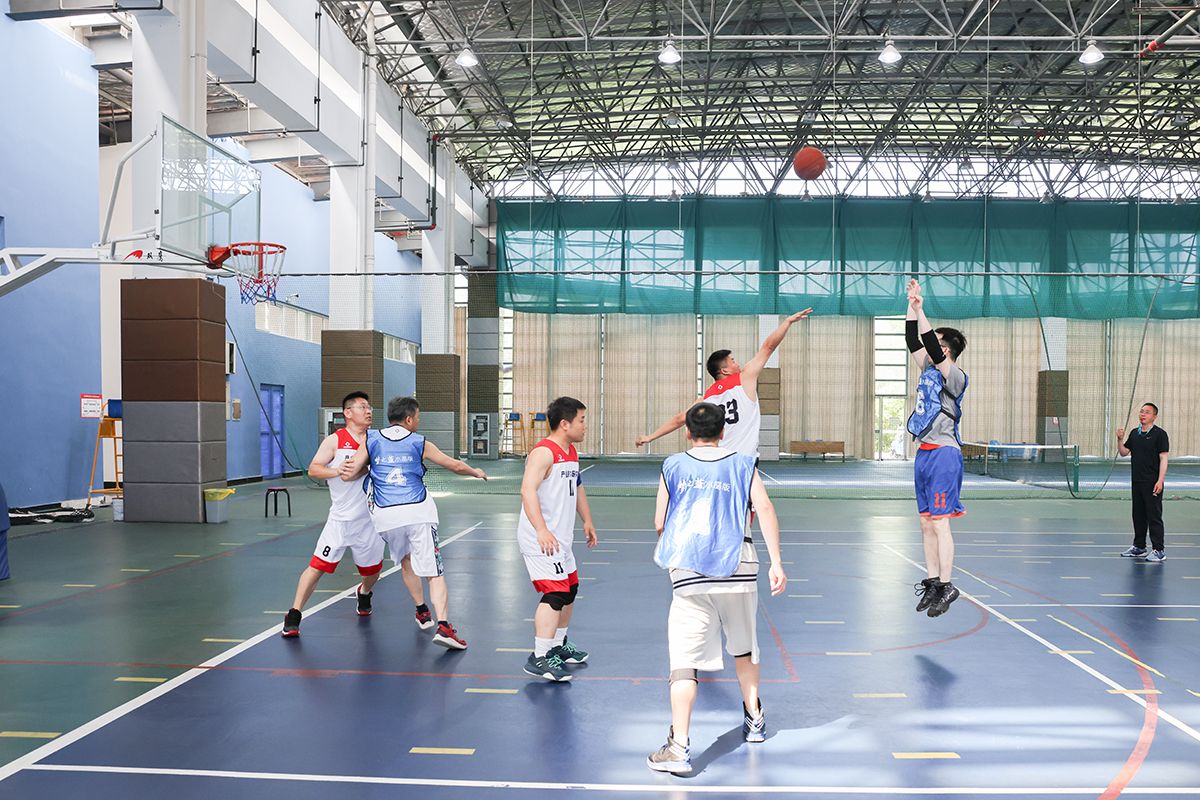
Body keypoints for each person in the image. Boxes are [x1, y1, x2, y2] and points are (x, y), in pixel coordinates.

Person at [646, 403, 786, 775]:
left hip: (690, 573)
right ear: (723, 432)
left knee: (684, 662)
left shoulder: (673, 466)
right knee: (745, 647)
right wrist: (776, 562)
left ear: (687, 432)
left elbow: (660, 522)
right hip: (740, 567)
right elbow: (765, 508)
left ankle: (679, 746)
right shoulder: (744, 463)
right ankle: (755, 719)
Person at [343, 396, 487, 650]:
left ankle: (421, 610)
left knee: (406, 560)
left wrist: (365, 467)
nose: (418, 422)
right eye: (418, 417)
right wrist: (475, 472)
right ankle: (444, 626)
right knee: (434, 572)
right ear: (409, 419)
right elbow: (453, 465)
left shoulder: (371, 438)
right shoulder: (419, 442)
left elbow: (350, 471)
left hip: (385, 515)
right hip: (418, 512)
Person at [636, 309, 812, 456]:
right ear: (725, 370)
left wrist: (650, 437)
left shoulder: (706, 398)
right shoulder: (745, 379)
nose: (737, 364)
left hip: (719, 459)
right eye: (733, 361)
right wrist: (787, 322)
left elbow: (678, 419)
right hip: (744, 460)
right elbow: (768, 347)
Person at [282, 392, 382, 638]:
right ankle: (294, 614)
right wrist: (337, 470)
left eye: (369, 407)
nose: (368, 411)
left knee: (372, 572)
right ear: (348, 413)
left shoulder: (376, 440)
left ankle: (364, 593)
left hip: (369, 521)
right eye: (362, 407)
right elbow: (314, 469)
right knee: (316, 567)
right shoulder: (335, 440)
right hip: (339, 520)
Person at [517, 397, 598, 682]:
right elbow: (527, 491)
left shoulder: (571, 451)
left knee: (570, 589)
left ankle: (557, 645)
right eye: (581, 420)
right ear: (564, 424)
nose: (585, 426)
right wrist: (541, 529)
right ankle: (539, 656)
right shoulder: (543, 453)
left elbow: (577, 487)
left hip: (561, 538)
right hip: (540, 537)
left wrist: (587, 520)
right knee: (555, 593)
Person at [905, 279, 969, 619]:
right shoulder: (928, 368)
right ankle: (932, 580)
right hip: (925, 452)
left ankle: (947, 585)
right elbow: (912, 339)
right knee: (926, 522)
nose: (931, 348)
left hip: (945, 453)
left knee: (941, 523)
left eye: (937, 344)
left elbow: (927, 339)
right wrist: (910, 304)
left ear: (946, 350)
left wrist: (922, 310)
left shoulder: (954, 375)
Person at [1117, 403, 1170, 562]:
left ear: (1154, 416)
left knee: (1154, 516)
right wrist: (1120, 439)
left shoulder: (1160, 434)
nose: (1143, 414)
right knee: (1138, 515)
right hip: (1137, 481)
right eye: (1141, 411)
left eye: (1147, 412)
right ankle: (1139, 547)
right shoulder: (1135, 433)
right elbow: (1124, 452)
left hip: (1152, 482)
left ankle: (1159, 550)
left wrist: (1160, 480)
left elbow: (1164, 458)